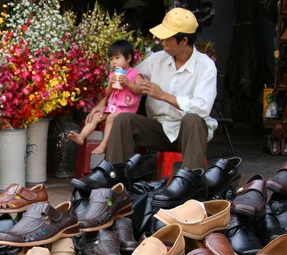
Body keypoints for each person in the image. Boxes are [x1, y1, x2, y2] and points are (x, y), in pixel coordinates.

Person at [87, 8, 217, 170]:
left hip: (187, 134)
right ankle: (114, 181)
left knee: (193, 119)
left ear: (183, 41)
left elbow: (202, 108)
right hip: (158, 128)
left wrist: (163, 95)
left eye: (167, 39)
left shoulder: (205, 66)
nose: (162, 43)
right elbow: (130, 77)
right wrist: (103, 102)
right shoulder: (156, 60)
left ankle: (190, 183)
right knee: (122, 120)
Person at [68, 40, 143, 154]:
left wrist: (128, 83)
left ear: (128, 58)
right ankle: (81, 136)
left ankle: (103, 145)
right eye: (111, 59)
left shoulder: (135, 74)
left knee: (110, 118)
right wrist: (110, 85)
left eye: (117, 58)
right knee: (97, 116)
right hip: (113, 107)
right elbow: (107, 93)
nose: (113, 62)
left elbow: (140, 90)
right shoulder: (113, 74)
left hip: (126, 110)